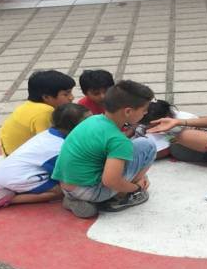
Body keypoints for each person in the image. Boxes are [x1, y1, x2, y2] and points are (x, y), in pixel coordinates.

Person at [53, 80, 157, 219]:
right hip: (92, 191)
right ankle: (128, 193)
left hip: (66, 186)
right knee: (147, 145)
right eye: (144, 110)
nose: (145, 113)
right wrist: (136, 188)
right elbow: (110, 181)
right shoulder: (118, 140)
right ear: (128, 111)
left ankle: (77, 200)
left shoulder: (93, 120)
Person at [0, 103, 90, 212]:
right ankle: (12, 199)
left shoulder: (48, 134)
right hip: (18, 177)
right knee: (60, 191)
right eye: (89, 122)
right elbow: (66, 175)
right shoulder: (59, 148)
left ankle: (7, 190)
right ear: (76, 128)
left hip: (5, 171)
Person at [0, 70, 75, 155]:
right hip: (22, 158)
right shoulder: (45, 112)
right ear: (46, 97)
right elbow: (48, 142)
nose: (72, 97)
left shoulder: (29, 105)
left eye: (70, 92)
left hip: (9, 152)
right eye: (66, 94)